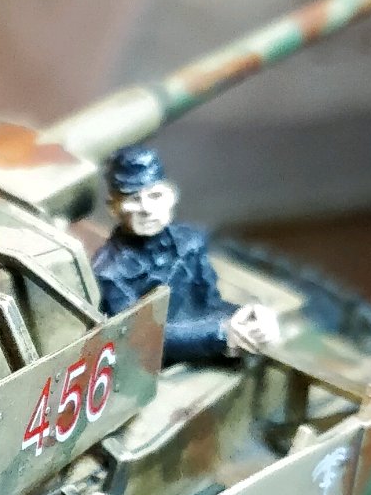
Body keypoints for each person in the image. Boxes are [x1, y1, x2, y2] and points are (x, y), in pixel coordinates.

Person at [93, 143, 280, 366]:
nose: (147, 209)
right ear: (114, 208)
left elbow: (208, 304)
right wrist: (221, 333)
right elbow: (140, 337)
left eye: (155, 195)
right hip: (155, 369)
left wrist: (248, 317)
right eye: (133, 199)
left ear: (171, 197)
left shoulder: (191, 242)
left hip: (205, 350)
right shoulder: (110, 273)